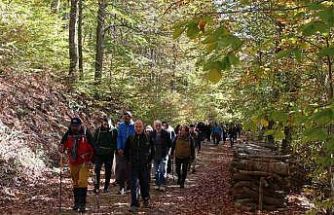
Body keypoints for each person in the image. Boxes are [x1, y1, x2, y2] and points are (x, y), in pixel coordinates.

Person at [59, 117, 95, 213]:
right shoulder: (68, 133)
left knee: (82, 181)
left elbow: (93, 146)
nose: (75, 128)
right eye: (73, 126)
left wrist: (92, 160)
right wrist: (61, 148)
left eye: (76, 126)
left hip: (84, 161)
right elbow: (62, 144)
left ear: (80, 126)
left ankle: (82, 204)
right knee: (75, 182)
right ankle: (76, 203)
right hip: (73, 161)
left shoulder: (86, 133)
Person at [124, 120, 152, 213]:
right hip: (133, 165)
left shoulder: (148, 137)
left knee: (144, 183)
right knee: (134, 184)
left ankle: (146, 199)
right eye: (136, 127)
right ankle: (134, 204)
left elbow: (153, 151)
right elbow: (126, 151)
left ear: (143, 127)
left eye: (140, 126)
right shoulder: (131, 138)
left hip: (144, 165)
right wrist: (129, 161)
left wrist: (148, 161)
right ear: (134, 127)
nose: (138, 128)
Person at [93, 116, 118, 193]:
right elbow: (94, 141)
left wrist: (112, 150)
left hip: (109, 154)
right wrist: (96, 150)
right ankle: (96, 187)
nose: (106, 123)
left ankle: (106, 187)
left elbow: (116, 142)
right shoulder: (98, 130)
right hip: (99, 154)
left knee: (108, 171)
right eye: (104, 122)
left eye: (107, 122)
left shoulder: (114, 131)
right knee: (97, 169)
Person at [116, 111, 135, 194]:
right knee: (121, 169)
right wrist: (119, 148)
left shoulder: (134, 126)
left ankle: (129, 186)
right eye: (124, 117)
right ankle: (121, 187)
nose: (125, 118)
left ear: (130, 117)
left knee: (130, 168)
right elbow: (119, 137)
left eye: (127, 117)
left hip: (131, 151)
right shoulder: (121, 125)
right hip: (122, 151)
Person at [150, 120, 172, 191]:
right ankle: (157, 183)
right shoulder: (152, 133)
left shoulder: (166, 133)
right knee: (156, 170)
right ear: (154, 126)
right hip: (155, 154)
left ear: (161, 126)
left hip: (163, 154)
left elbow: (170, 144)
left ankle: (162, 184)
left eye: (159, 125)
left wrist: (168, 152)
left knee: (162, 170)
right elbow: (149, 144)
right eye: (156, 125)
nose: (158, 127)